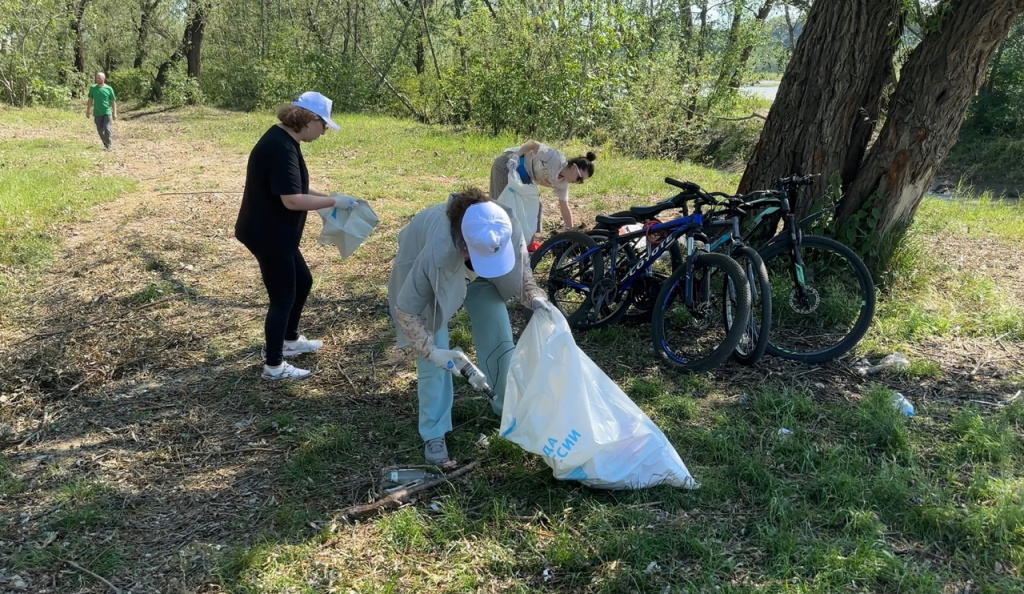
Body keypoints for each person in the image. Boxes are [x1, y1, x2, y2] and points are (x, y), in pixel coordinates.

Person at [387, 188, 560, 466]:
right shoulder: (438, 251)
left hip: (478, 273)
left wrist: (538, 299)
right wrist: (432, 352)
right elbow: (408, 310)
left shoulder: (505, 226)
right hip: (425, 261)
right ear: (464, 245)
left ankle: (506, 408)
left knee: (500, 333)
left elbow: (523, 277)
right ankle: (434, 432)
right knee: (435, 351)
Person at [235, 91, 355, 381]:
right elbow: (292, 200)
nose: (323, 132)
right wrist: (332, 203)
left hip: (275, 231)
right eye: (323, 126)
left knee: (303, 281)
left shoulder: (285, 140)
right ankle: (274, 366)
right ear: (310, 119)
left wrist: (329, 196)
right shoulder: (280, 147)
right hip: (268, 233)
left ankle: (289, 341)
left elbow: (297, 187)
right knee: (283, 297)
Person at [488, 140, 596, 245]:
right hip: (507, 165)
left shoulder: (562, 183)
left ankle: (527, 243)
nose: (577, 182)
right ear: (573, 168)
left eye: (581, 182)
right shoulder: (554, 158)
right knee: (500, 204)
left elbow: (564, 207)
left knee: (535, 206)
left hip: (522, 175)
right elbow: (532, 144)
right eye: (579, 178)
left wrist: (572, 233)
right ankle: (491, 240)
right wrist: (516, 156)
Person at [86, 72, 117, 151]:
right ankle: (106, 142)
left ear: (104, 78)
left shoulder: (109, 88)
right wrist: (88, 111)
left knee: (107, 128)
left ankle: (108, 146)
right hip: (97, 112)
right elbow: (90, 100)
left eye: (99, 77)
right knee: (100, 130)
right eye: (97, 77)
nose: (97, 79)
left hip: (107, 112)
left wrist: (114, 113)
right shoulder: (93, 88)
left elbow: (113, 101)